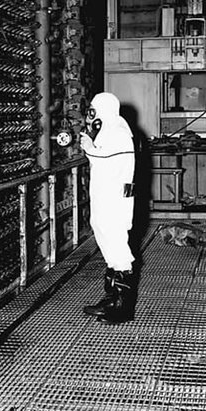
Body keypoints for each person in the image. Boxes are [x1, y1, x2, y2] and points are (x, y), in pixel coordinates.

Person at [79, 92, 137, 324]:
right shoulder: (109, 131)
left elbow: (104, 158)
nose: (90, 114)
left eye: (93, 109)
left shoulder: (119, 132)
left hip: (115, 199)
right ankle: (113, 298)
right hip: (105, 196)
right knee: (106, 238)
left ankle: (122, 306)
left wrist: (88, 146)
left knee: (117, 245)